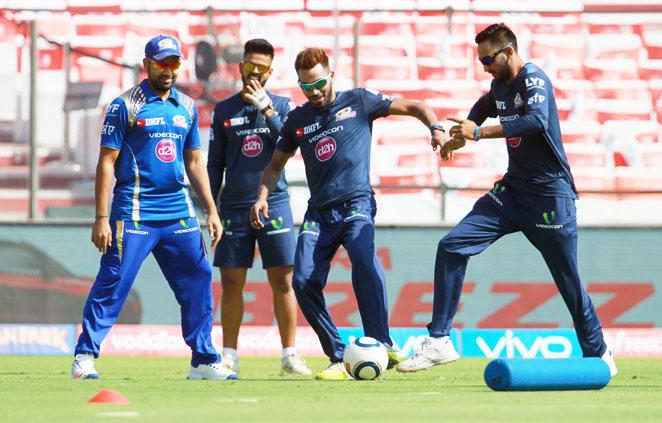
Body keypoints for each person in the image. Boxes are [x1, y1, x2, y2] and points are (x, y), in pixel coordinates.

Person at [396, 23, 617, 377]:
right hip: (513, 193)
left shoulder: (534, 80)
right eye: (480, 60)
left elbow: (536, 121)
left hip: (550, 197)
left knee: (568, 282)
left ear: (509, 51)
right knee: (452, 245)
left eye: (488, 58)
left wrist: (480, 133)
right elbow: (484, 105)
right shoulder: (499, 85)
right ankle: (438, 341)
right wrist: (462, 134)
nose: (484, 66)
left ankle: (599, 352)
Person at [250, 47, 450, 380]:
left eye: (318, 84)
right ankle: (338, 356)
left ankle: (381, 341)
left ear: (331, 75)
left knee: (361, 251)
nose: (314, 92)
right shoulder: (298, 120)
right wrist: (261, 196)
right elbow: (274, 166)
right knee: (301, 280)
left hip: (357, 201)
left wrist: (436, 128)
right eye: (305, 87)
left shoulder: (359, 101)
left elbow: (417, 106)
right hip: (319, 212)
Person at [71, 35, 237, 381]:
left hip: (177, 210)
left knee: (199, 278)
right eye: (161, 62)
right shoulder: (125, 106)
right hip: (133, 211)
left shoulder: (186, 107)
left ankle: (203, 360)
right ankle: (85, 356)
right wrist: (101, 218)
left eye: (174, 63)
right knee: (115, 281)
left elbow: (194, 162)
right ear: (147, 65)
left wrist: (211, 209)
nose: (168, 69)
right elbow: (106, 163)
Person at [207, 38, 311, 376]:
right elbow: (214, 164)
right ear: (240, 67)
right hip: (234, 206)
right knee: (232, 281)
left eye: (261, 68)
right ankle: (229, 355)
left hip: (275, 202)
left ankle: (290, 355)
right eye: (249, 65)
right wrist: (210, 207)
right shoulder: (224, 110)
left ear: (270, 71)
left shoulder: (282, 106)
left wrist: (267, 110)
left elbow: (291, 145)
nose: (254, 72)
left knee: (283, 280)